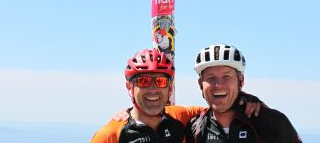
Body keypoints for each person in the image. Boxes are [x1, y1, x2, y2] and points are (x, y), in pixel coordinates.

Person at [90, 48, 262, 143]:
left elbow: (220, 106)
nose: (152, 89)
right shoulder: (110, 135)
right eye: (143, 81)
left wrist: (246, 99)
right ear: (130, 87)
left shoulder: (181, 117)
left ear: (170, 88)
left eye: (161, 82)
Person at [186, 44, 302, 142]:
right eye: (211, 78)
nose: (218, 85)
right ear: (200, 84)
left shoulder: (273, 122)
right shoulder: (195, 128)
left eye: (226, 77)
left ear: (241, 81)